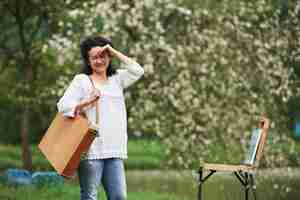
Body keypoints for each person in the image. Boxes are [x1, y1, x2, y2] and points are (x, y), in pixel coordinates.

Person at [57, 36, 144, 200]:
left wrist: (113, 51)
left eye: (102, 56)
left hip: (114, 149)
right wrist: (87, 101)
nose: (99, 60)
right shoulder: (82, 80)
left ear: (109, 57)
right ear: (88, 61)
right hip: (91, 149)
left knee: (119, 196)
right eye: (94, 57)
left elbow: (138, 70)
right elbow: (63, 106)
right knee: (90, 196)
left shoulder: (117, 79)